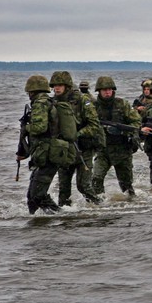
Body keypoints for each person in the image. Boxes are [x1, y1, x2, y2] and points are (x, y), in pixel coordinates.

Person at [50, 70, 103, 206]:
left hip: (83, 149)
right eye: (55, 85)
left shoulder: (82, 100)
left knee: (83, 186)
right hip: (64, 150)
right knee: (63, 189)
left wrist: (77, 134)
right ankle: (64, 216)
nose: (57, 88)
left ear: (67, 86)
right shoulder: (53, 102)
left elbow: (94, 125)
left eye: (60, 85)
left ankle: (100, 207)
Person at [16, 75, 68, 214]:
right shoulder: (46, 102)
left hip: (48, 154)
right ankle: (37, 226)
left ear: (32, 91)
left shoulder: (40, 103)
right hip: (44, 153)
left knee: (37, 196)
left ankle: (61, 216)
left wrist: (26, 128)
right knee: (32, 198)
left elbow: (40, 128)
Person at [92, 76, 142, 199]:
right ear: (99, 91)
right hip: (103, 149)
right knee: (96, 178)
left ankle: (132, 204)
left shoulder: (122, 104)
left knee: (126, 185)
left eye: (109, 89)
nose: (107, 92)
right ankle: (100, 203)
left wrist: (122, 131)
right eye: (104, 90)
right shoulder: (93, 107)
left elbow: (136, 123)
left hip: (122, 149)